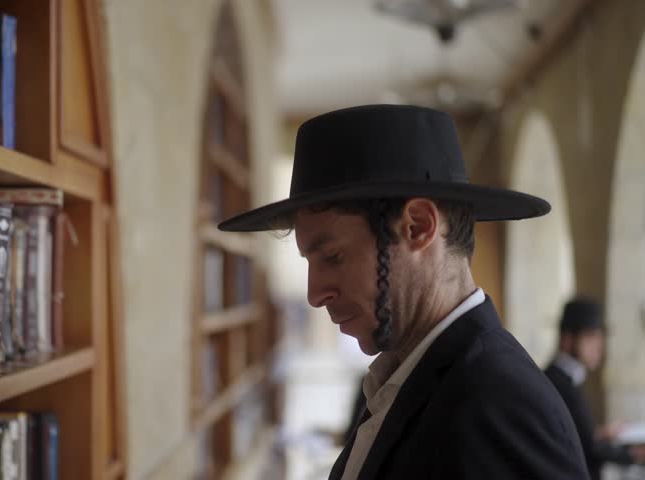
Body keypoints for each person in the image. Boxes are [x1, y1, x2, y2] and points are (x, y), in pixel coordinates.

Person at [218, 105, 589, 479]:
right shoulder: (409, 380)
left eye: (332, 256)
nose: (315, 294)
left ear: (417, 227)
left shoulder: (498, 402)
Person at [545, 298, 645, 479]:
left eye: (600, 337)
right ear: (567, 339)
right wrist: (635, 454)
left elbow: (574, 435)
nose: (599, 346)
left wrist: (599, 433)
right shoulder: (559, 383)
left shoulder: (565, 378)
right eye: (591, 337)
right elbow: (588, 448)